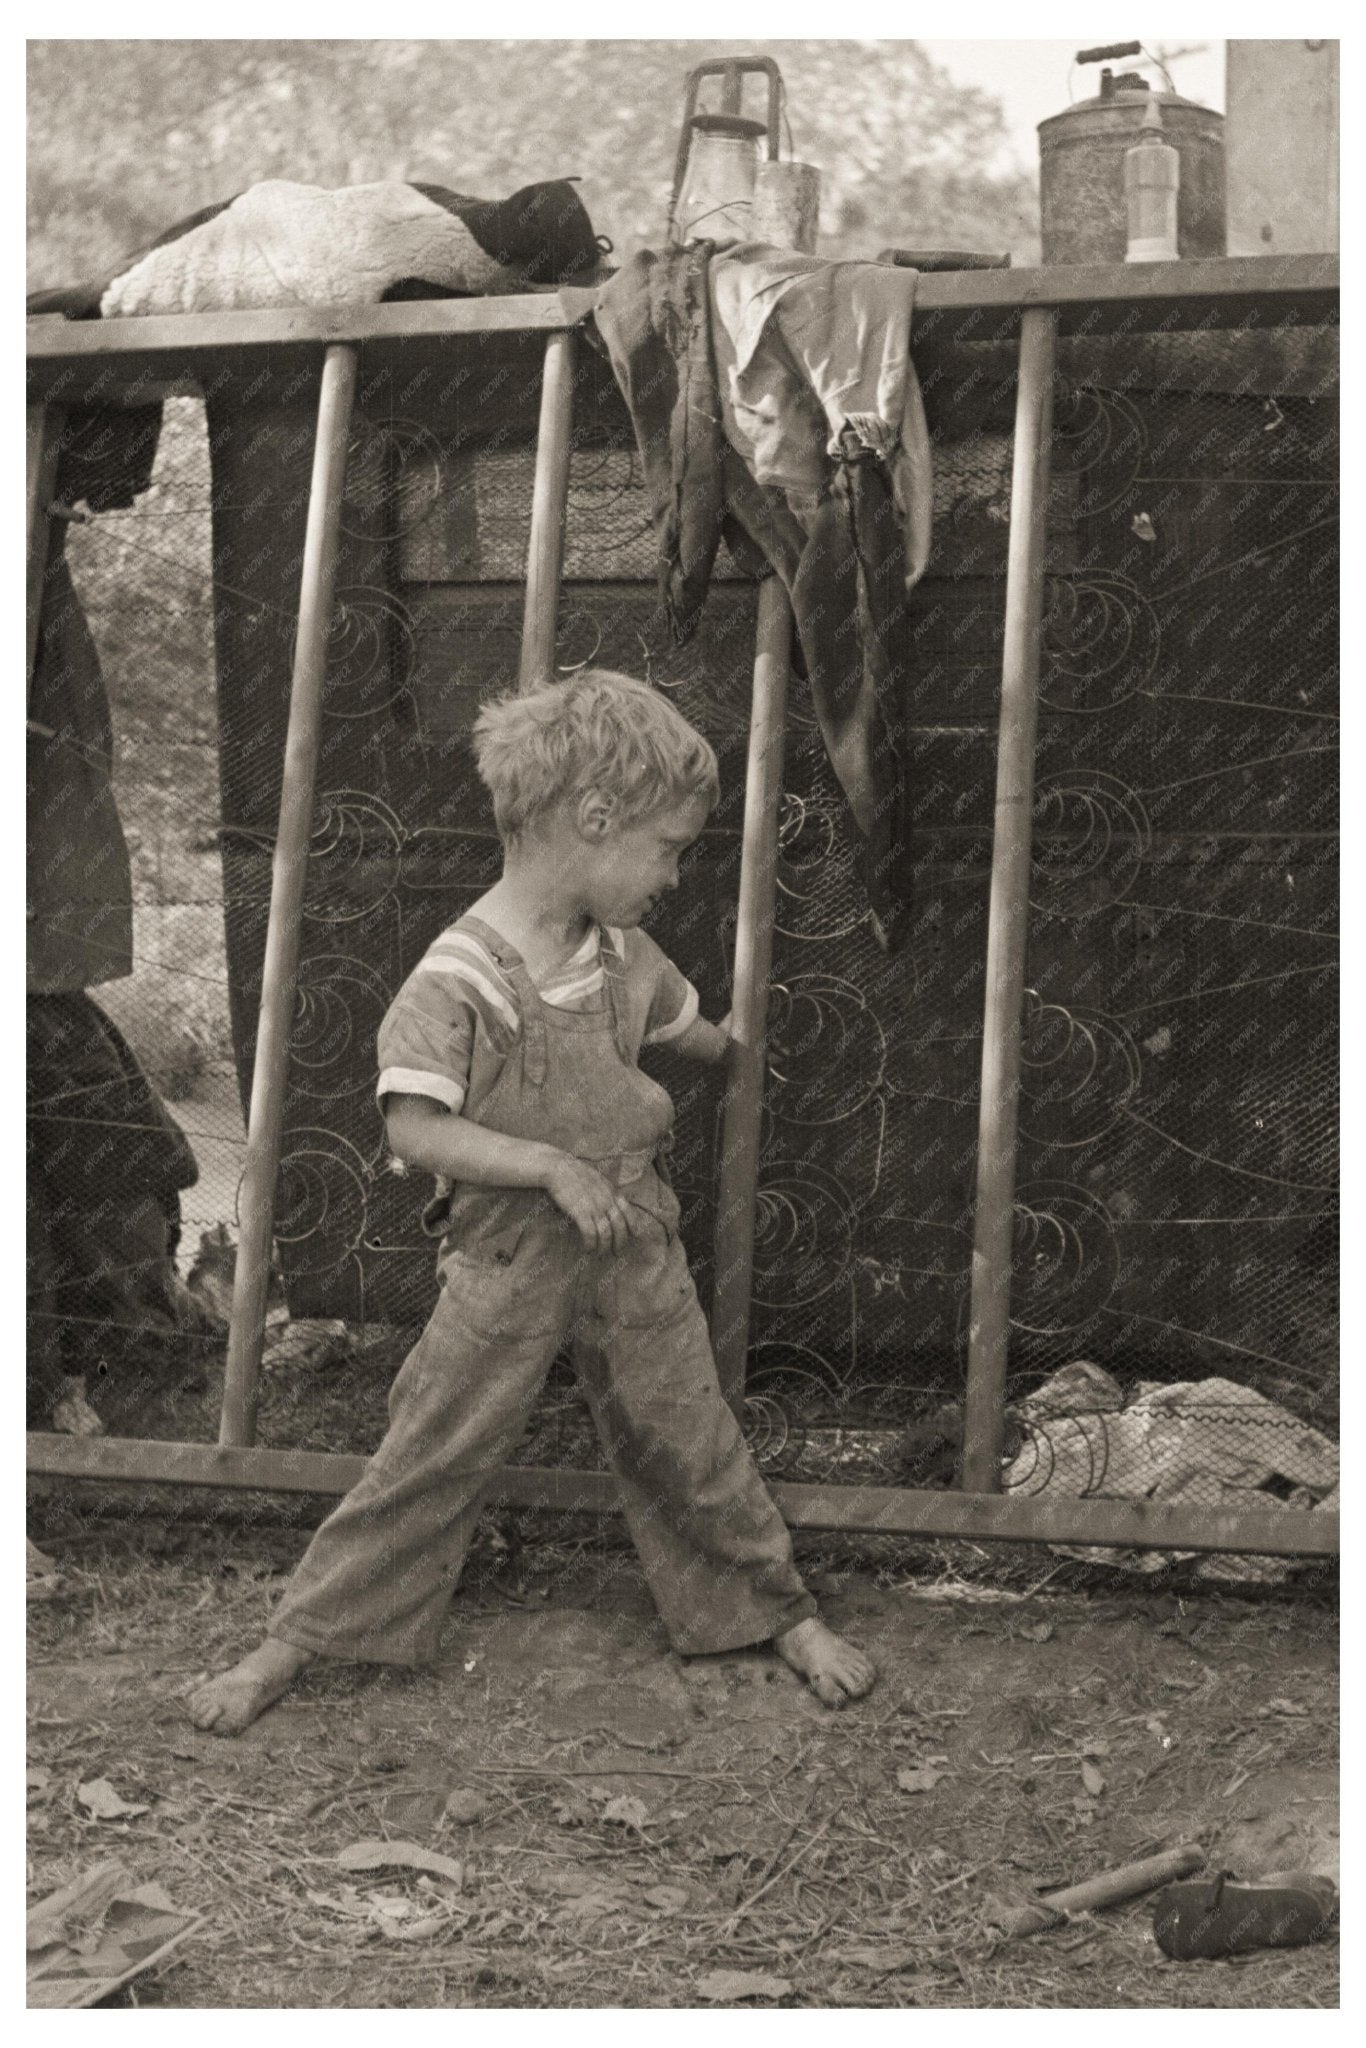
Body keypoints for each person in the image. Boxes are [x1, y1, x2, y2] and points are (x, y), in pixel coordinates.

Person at [189, 670, 875, 1734]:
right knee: (433, 1446)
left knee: (687, 1433)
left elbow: (695, 1035)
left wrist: (743, 1039)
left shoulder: (623, 955)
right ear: (593, 821)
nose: (677, 874)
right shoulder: (460, 972)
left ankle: (774, 1610)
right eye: (667, 847)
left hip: (633, 1239)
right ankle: (297, 1640)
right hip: (508, 1255)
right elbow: (414, 1127)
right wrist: (549, 1165)